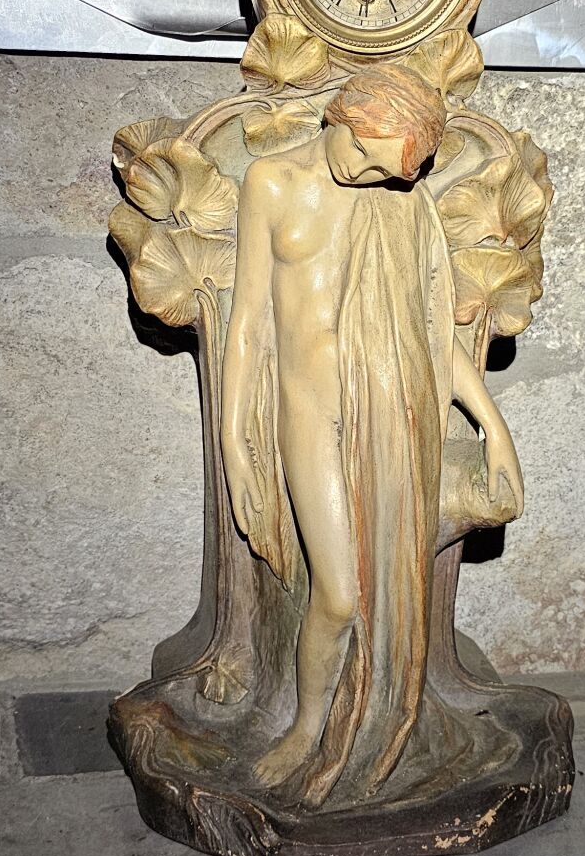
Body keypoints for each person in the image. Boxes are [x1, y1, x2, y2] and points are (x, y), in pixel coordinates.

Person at [220, 64, 522, 805]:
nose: (364, 174)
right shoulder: (272, 182)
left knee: (381, 587)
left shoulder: (401, 203)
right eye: (361, 151)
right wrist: (235, 439)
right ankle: (306, 727)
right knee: (339, 597)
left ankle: (364, 719)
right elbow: (248, 324)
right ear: (341, 116)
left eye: (386, 170)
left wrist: (493, 425)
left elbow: (431, 335)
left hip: (389, 415)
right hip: (306, 411)